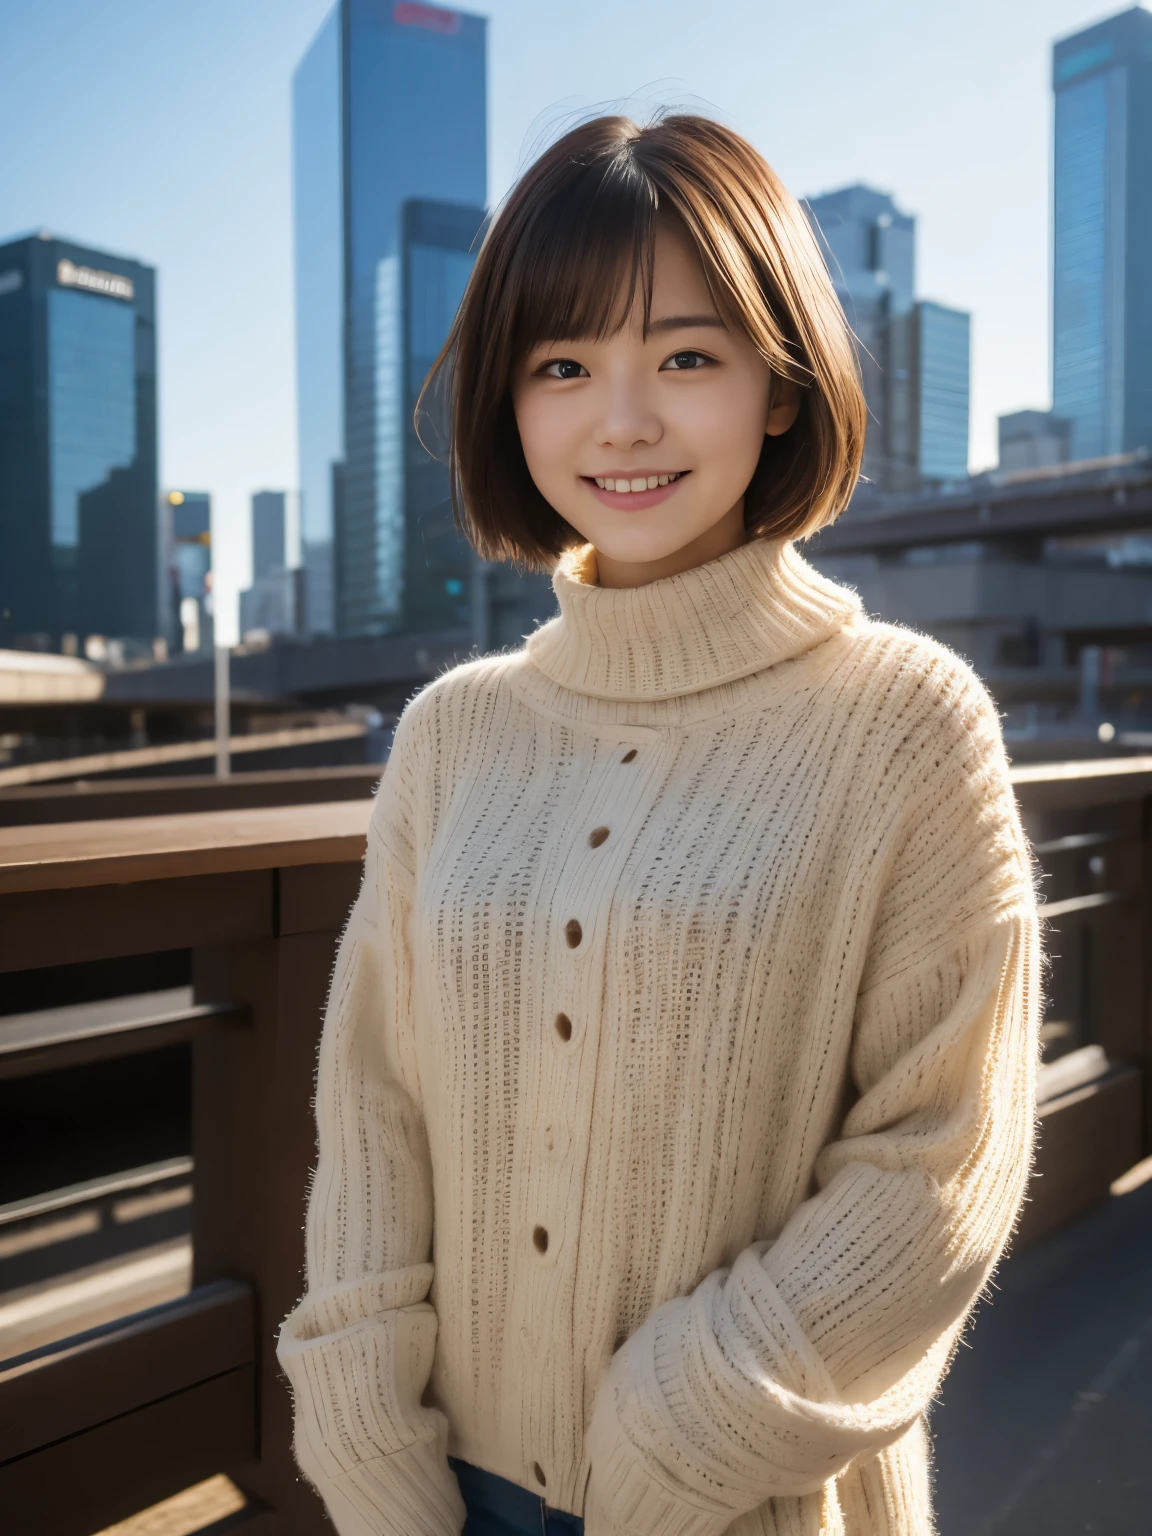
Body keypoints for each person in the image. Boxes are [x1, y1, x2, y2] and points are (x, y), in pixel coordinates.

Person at [276, 113, 1040, 1536]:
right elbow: (374, 1102)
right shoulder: (454, 734)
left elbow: (943, 1158)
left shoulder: (906, 722)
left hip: (751, 1492)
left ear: (781, 386)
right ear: (510, 402)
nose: (619, 420)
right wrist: (366, 1424)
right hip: (448, 1493)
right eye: (562, 366)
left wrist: (685, 1423)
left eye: (686, 357)